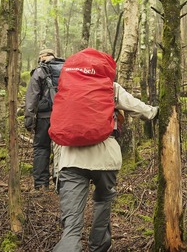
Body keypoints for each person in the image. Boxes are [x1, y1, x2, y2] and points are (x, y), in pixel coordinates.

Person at [52, 81, 158, 252]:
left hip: (71, 158)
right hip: (106, 157)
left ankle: (69, 247)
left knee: (71, 223)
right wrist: (155, 112)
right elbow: (136, 107)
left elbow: (57, 128)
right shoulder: (110, 86)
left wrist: (57, 168)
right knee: (102, 203)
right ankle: (99, 247)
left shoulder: (66, 88)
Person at [24, 48, 65, 190]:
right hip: (64, 116)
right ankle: (61, 183)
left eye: (40, 56)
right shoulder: (66, 69)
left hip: (44, 117)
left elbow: (32, 97)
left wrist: (29, 120)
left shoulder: (39, 71)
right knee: (63, 148)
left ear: (43, 56)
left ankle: (41, 185)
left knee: (41, 148)